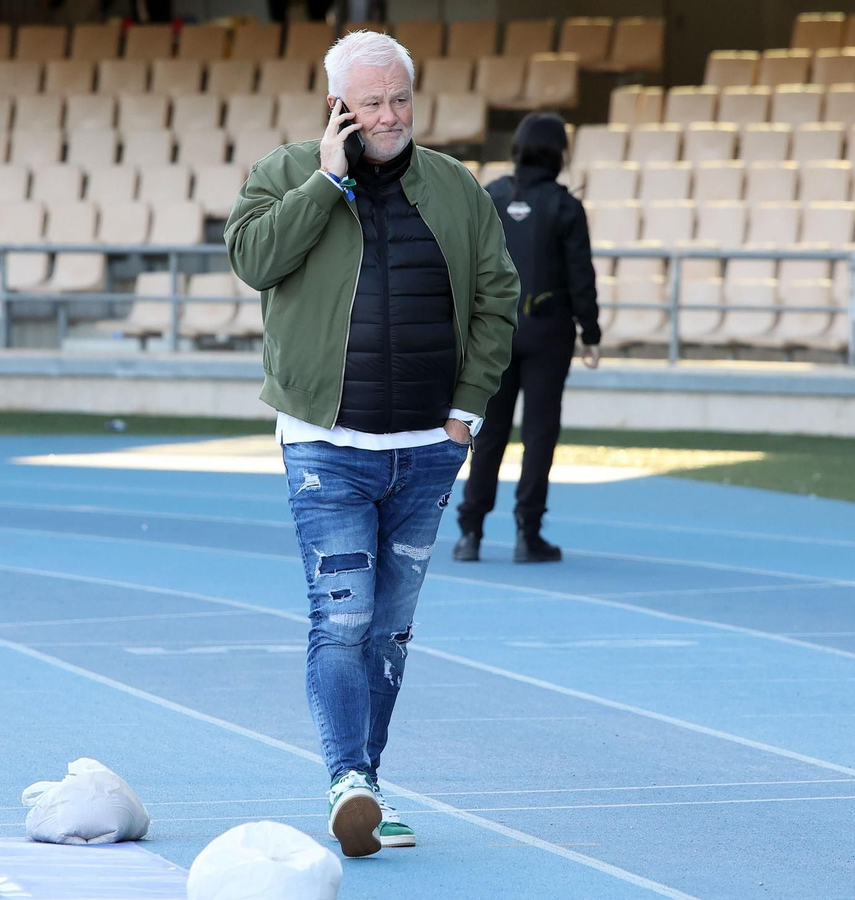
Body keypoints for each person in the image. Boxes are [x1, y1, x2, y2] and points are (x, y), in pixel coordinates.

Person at [224, 31, 518, 858]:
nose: (388, 116)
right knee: (343, 617)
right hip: (327, 447)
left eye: (400, 100)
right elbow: (253, 259)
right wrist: (327, 181)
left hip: (429, 448)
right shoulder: (284, 175)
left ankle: (368, 786)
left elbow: (500, 294)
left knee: (389, 631)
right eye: (370, 103)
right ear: (336, 108)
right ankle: (347, 778)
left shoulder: (456, 186)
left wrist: (467, 412)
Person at [453, 113, 601, 565]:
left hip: (496, 331)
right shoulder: (564, 205)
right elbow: (581, 276)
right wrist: (590, 332)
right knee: (539, 434)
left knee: (490, 432)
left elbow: (467, 266)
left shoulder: (493, 195)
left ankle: (470, 533)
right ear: (558, 152)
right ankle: (527, 533)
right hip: (549, 330)